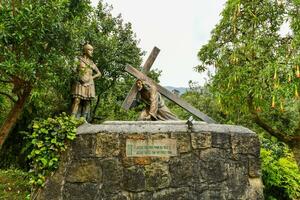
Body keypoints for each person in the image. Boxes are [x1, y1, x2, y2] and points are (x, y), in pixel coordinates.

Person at [70, 43, 101, 120]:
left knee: (87, 102)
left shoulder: (91, 63)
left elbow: (99, 73)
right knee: (77, 100)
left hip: (89, 83)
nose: (92, 52)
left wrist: (91, 78)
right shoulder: (78, 59)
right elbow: (73, 69)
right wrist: (79, 76)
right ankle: (71, 119)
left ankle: (83, 119)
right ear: (85, 50)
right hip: (80, 82)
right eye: (90, 50)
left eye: (92, 50)